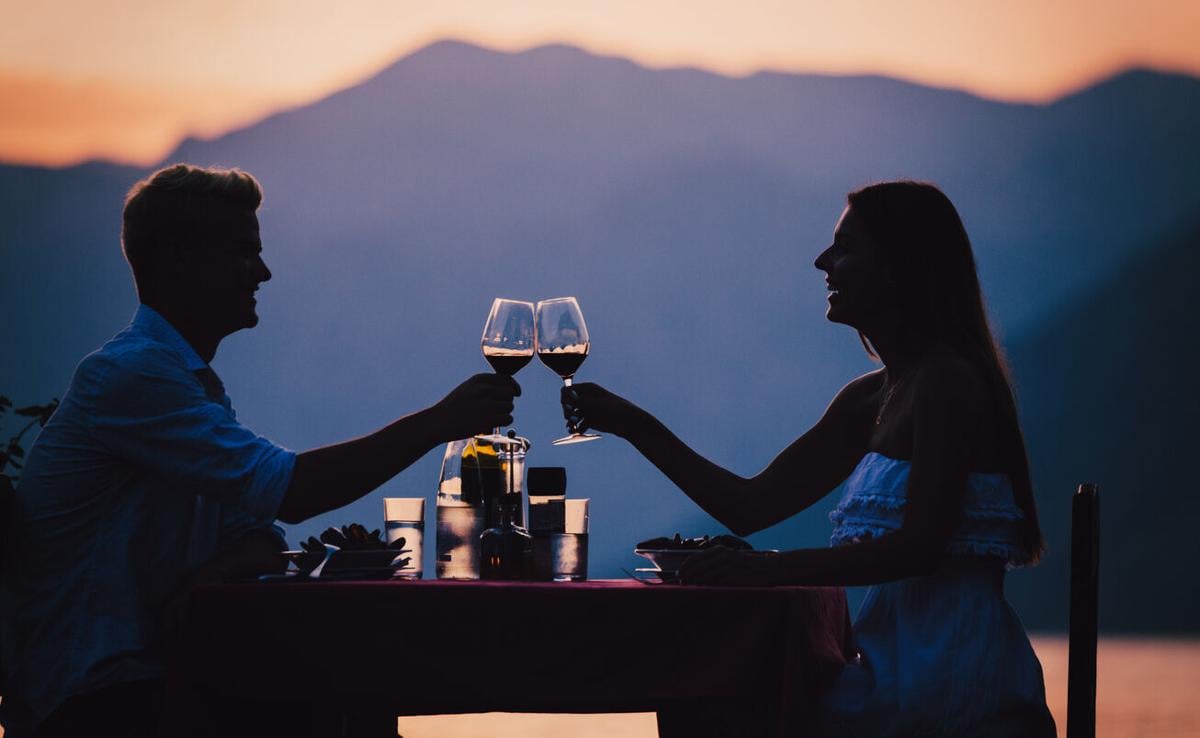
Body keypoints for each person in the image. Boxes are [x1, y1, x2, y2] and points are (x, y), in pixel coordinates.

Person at [0, 164, 519, 738]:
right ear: (178, 260)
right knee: (351, 701)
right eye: (243, 252)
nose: (264, 272)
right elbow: (291, 492)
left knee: (355, 699)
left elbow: (259, 530)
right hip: (93, 701)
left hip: (158, 684)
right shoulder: (129, 376)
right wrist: (439, 423)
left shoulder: (187, 384)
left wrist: (219, 568)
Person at [563, 181, 1056, 736]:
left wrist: (766, 571)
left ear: (898, 267)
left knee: (707, 704)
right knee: (696, 697)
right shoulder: (870, 398)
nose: (823, 262)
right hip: (889, 676)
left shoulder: (948, 384)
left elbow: (920, 547)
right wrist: (632, 424)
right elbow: (749, 506)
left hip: (955, 683)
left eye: (844, 248)